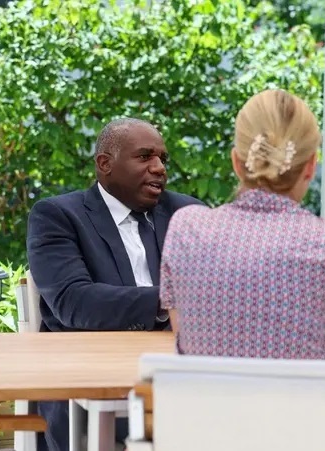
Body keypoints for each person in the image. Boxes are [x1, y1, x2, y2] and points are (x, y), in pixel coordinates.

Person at [160, 88, 325, 360]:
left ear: (236, 162)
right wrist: (317, 359)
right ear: (310, 166)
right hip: (300, 389)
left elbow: (188, 338)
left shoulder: (186, 229)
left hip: (203, 389)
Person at [27, 117, 204, 450]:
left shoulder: (188, 214)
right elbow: (73, 301)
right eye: (145, 156)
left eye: (162, 159)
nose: (159, 168)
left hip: (177, 375)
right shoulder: (58, 216)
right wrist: (169, 300)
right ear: (105, 164)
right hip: (88, 386)